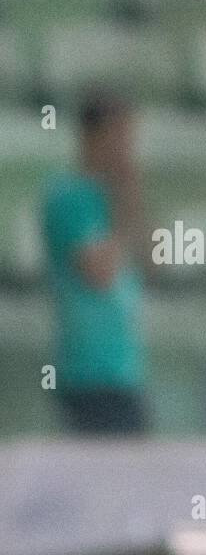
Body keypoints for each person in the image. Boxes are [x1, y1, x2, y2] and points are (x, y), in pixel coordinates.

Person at [41, 92, 155, 434]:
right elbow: (99, 272)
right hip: (87, 375)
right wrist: (123, 209)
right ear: (90, 136)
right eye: (117, 135)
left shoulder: (116, 198)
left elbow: (153, 262)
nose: (125, 148)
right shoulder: (66, 197)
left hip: (127, 372)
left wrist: (130, 200)